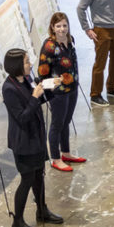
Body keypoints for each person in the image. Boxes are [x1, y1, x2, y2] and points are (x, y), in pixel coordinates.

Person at [2, 49, 61, 227]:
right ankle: (17, 222)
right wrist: (35, 96)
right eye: (27, 62)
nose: (30, 64)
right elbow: (22, 116)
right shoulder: (9, 89)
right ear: (17, 65)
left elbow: (38, 102)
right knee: (27, 180)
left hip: (35, 138)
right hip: (24, 142)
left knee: (39, 176)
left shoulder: (26, 80)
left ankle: (42, 210)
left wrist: (50, 90)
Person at [36, 12, 84, 172]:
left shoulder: (70, 41)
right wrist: (52, 85)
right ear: (52, 27)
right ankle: (56, 158)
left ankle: (66, 153)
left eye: (64, 25)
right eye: (58, 26)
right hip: (58, 93)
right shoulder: (49, 46)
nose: (62, 29)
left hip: (72, 89)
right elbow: (42, 71)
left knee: (66, 122)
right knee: (57, 124)